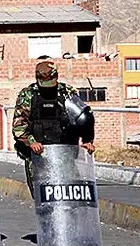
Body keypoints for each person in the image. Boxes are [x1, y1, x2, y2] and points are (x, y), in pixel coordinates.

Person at [13, 61, 96, 197]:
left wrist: (87, 140)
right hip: (39, 156)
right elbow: (19, 125)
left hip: (65, 153)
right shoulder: (28, 95)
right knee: (45, 199)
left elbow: (83, 117)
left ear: (56, 77)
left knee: (71, 196)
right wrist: (31, 141)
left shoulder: (67, 92)